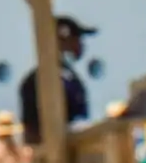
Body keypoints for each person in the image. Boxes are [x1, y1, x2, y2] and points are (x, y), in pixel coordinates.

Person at [16, 17, 93, 155]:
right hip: (62, 155)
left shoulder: (66, 75)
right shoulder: (47, 79)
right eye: (77, 39)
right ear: (63, 40)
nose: (81, 45)